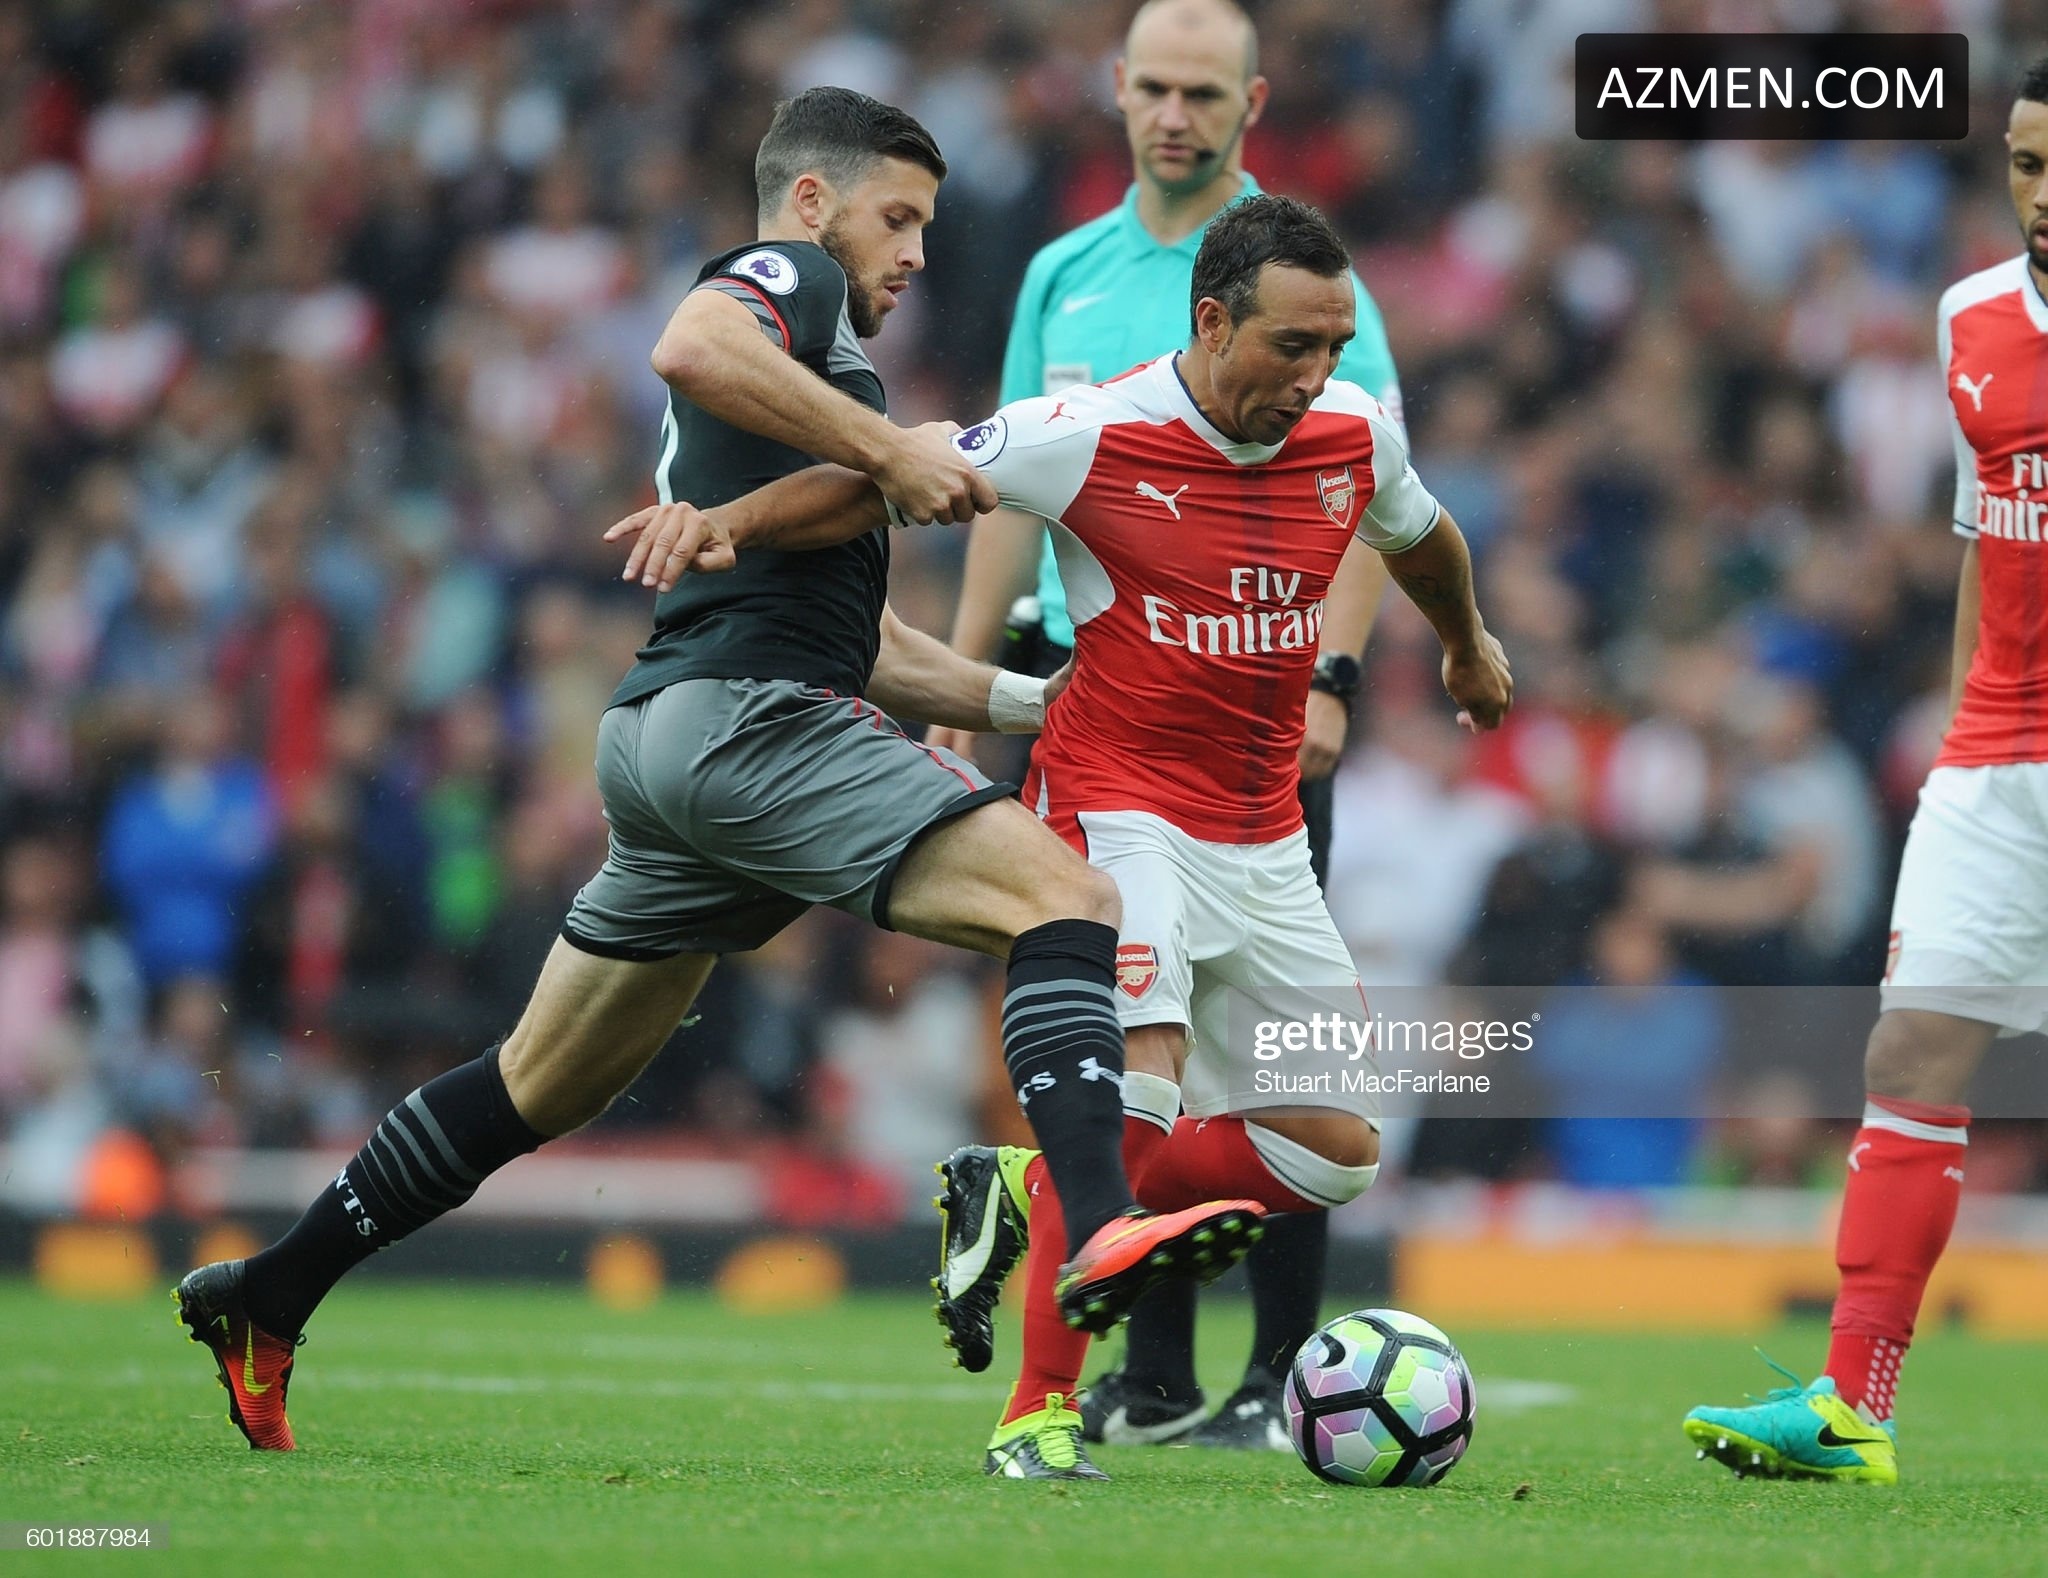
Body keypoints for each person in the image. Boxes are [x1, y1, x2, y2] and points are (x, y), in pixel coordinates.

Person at [172, 87, 1263, 1454]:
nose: (915, 252)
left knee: (538, 1082)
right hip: (752, 726)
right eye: (897, 217)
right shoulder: (794, 281)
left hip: (672, 738)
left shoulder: (810, 390)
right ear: (811, 202)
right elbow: (688, 340)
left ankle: (270, 1291)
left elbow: (869, 647)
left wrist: (1041, 701)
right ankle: (1090, 1221)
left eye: (926, 226)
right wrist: (888, 448)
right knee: (1072, 901)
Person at [611, 192, 1512, 1480]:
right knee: (1138, 1098)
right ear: (1213, 323)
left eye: (1334, 346)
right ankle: (1035, 1417)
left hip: (1262, 838)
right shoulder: (1090, 431)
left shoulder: (1353, 433)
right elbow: (885, 476)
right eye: (1292, 347)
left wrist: (1469, 646)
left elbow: (1423, 538)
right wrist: (729, 523)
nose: (1317, 375)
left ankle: (1021, 1189)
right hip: (1117, 808)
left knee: (1337, 1155)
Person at [942, 0, 1410, 1452]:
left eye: (1204, 92)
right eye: (1153, 86)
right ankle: (1107, 1388)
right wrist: (961, 682)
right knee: (1138, 1052)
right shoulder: (1064, 274)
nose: (1174, 114)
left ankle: (1266, 1366)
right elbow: (995, 494)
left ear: (1251, 104)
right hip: (1093, 696)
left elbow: (1372, 496)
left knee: (1285, 1088)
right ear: (1118, 88)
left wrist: (1335, 679)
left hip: (1267, 709)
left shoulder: (1308, 278)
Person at [1681, 59, 2048, 1486]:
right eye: (2025, 162)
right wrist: (1963, 725)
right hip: (1995, 754)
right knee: (1910, 1053)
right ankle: (1851, 1404)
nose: (2040, 193)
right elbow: (1982, 542)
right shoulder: (1969, 319)